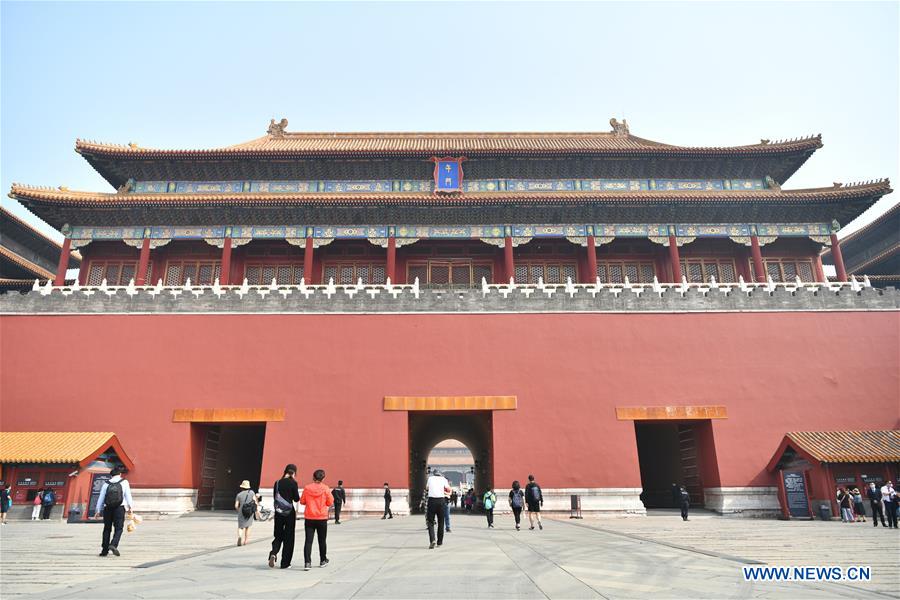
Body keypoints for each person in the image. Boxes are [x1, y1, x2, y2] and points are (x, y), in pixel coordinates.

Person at [94, 466, 134, 557]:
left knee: (107, 529)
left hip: (107, 508)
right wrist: (130, 508)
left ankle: (104, 550)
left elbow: (101, 498)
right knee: (119, 528)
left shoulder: (106, 483)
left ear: (111, 475)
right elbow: (128, 495)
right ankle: (113, 544)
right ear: (120, 474)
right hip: (119, 508)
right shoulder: (124, 482)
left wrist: (97, 510)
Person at [300, 468, 334, 571]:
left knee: (308, 541)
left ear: (313, 477)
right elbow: (330, 502)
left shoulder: (307, 488)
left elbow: (302, 501)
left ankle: (307, 562)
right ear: (323, 478)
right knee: (322, 540)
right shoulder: (326, 488)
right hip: (322, 517)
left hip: (309, 517)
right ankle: (323, 560)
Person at [268, 463, 300, 569]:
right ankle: (285, 563)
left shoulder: (277, 482)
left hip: (278, 512)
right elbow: (296, 499)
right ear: (294, 472)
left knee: (278, 535)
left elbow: (275, 497)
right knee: (289, 537)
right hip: (289, 512)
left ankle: (274, 552)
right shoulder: (293, 483)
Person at [425, 469, 450, 549]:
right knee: (441, 522)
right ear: (440, 474)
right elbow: (448, 489)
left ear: (434, 474)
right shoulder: (444, 479)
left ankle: (432, 540)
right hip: (441, 501)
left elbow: (427, 488)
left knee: (430, 522)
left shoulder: (430, 478)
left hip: (432, 501)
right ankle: (439, 542)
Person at [234, 480, 258, 547]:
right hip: (250, 512)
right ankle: (246, 540)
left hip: (241, 512)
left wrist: (239, 511)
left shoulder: (239, 495)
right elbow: (255, 502)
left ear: (242, 487)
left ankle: (240, 536)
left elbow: (236, 506)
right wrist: (256, 510)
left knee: (240, 527)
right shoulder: (252, 493)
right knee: (248, 526)